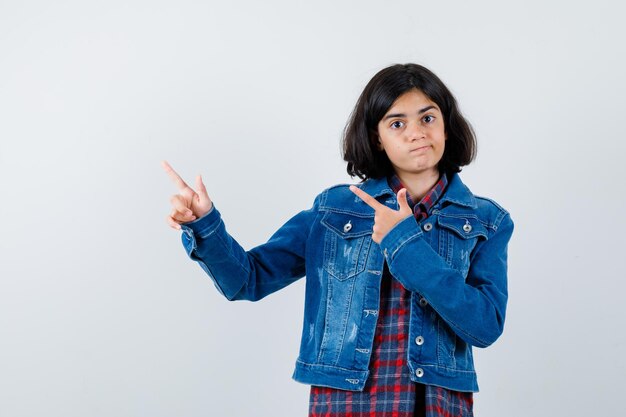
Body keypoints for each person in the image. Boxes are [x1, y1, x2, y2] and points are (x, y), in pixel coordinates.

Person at [163, 63, 514, 417]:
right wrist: (205, 225)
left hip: (436, 406)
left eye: (427, 118)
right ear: (377, 137)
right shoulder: (333, 211)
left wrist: (404, 242)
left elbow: (485, 326)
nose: (416, 133)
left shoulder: (486, 221)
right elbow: (247, 280)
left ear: (446, 125)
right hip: (345, 404)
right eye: (397, 123)